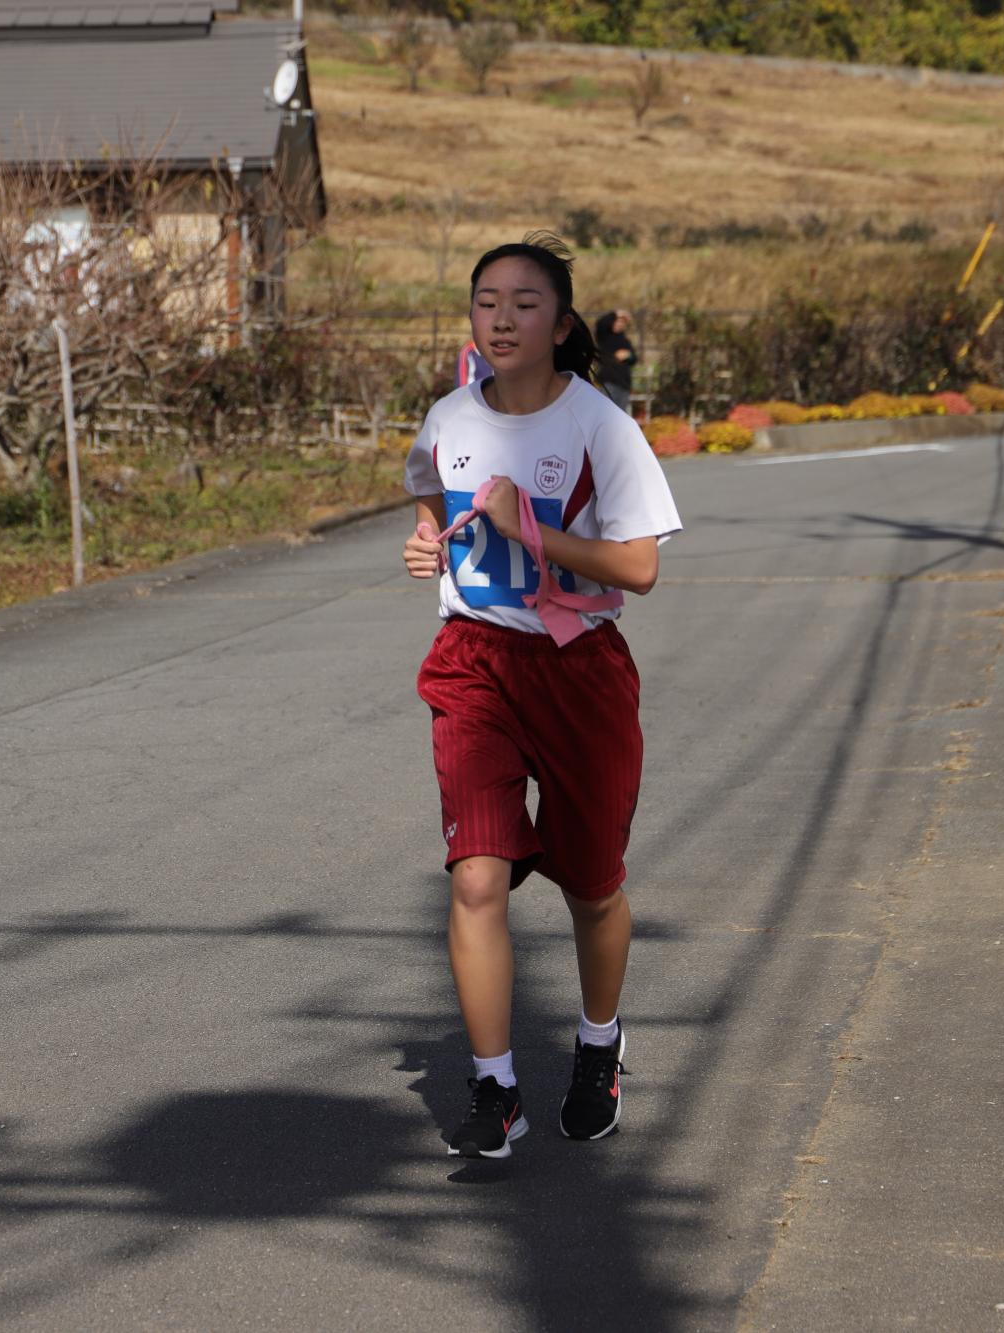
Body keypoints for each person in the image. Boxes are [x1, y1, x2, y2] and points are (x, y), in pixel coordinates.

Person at [401, 234, 681, 1159]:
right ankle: (496, 1088)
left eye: (525, 303)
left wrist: (538, 534)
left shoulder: (600, 427)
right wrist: (425, 541)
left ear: (561, 325)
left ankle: (598, 1047)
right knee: (476, 877)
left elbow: (638, 567)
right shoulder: (446, 417)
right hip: (474, 663)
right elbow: (431, 497)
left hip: (580, 673)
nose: (503, 318)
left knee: (592, 887)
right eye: (487, 301)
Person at [595, 309, 636, 415]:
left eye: (622, 322)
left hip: (624, 384)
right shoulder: (605, 336)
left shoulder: (625, 341)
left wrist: (628, 355)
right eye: (617, 321)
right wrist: (617, 313)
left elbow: (634, 359)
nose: (619, 324)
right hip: (609, 382)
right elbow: (601, 323)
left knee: (621, 416)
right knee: (606, 414)